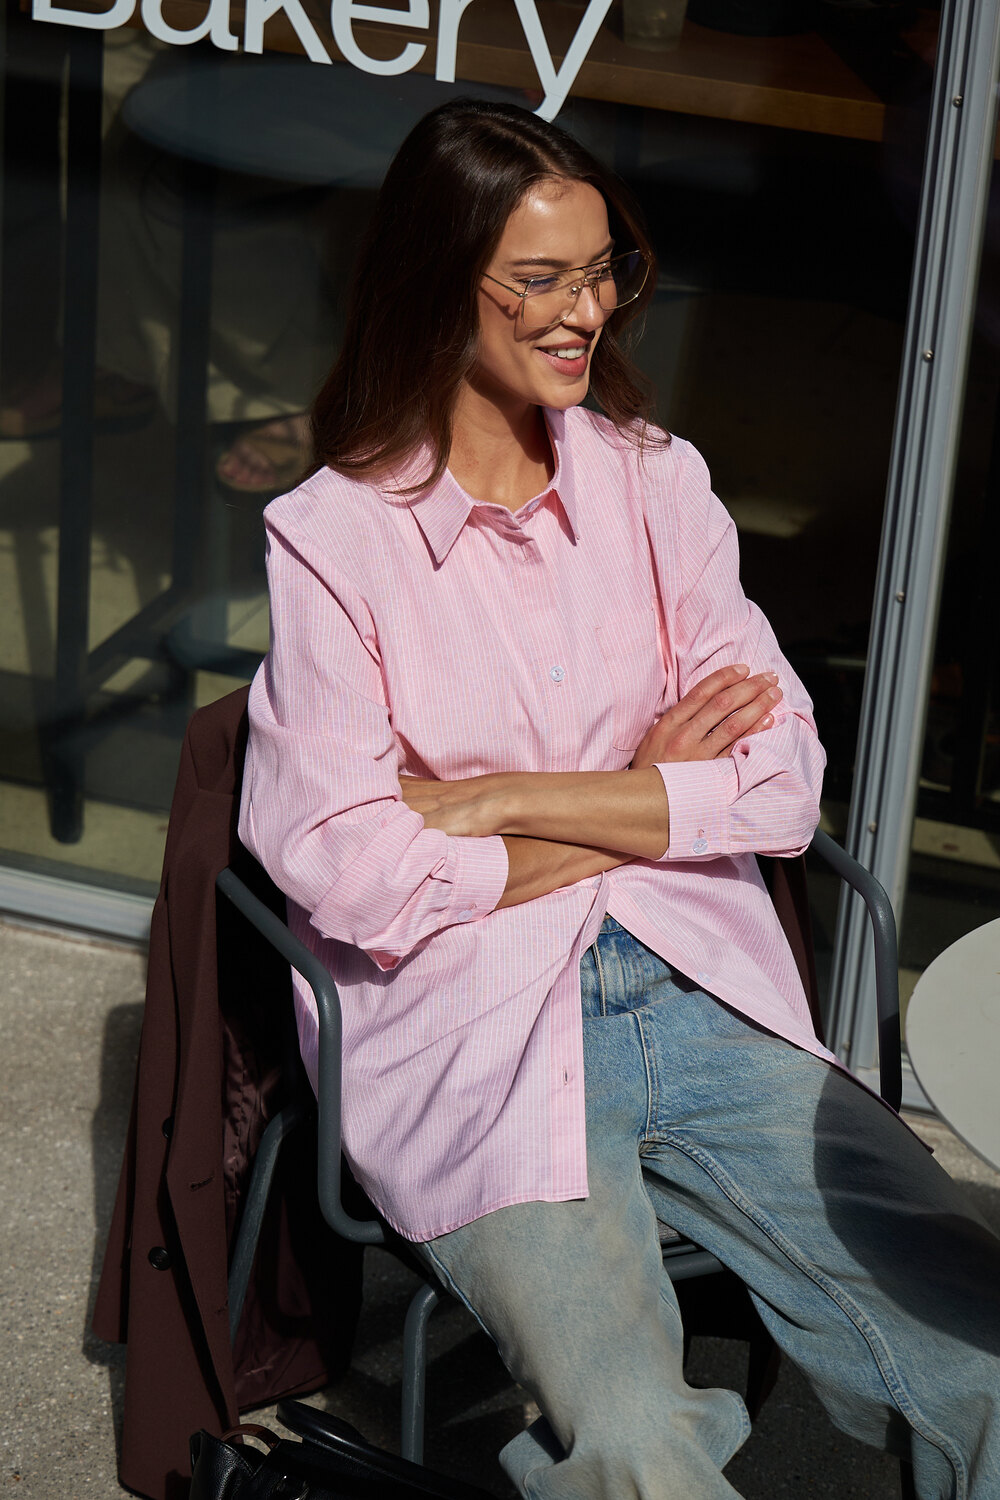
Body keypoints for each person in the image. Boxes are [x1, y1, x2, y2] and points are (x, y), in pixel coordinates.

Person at [238, 98, 1000, 1500]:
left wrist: (493, 802)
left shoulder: (659, 487)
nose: (587, 311)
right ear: (437, 281)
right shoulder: (335, 543)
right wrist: (646, 792)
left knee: (984, 1354)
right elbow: (349, 871)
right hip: (476, 1036)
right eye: (541, 279)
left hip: (705, 988)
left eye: (603, 271)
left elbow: (778, 782)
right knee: (638, 1442)